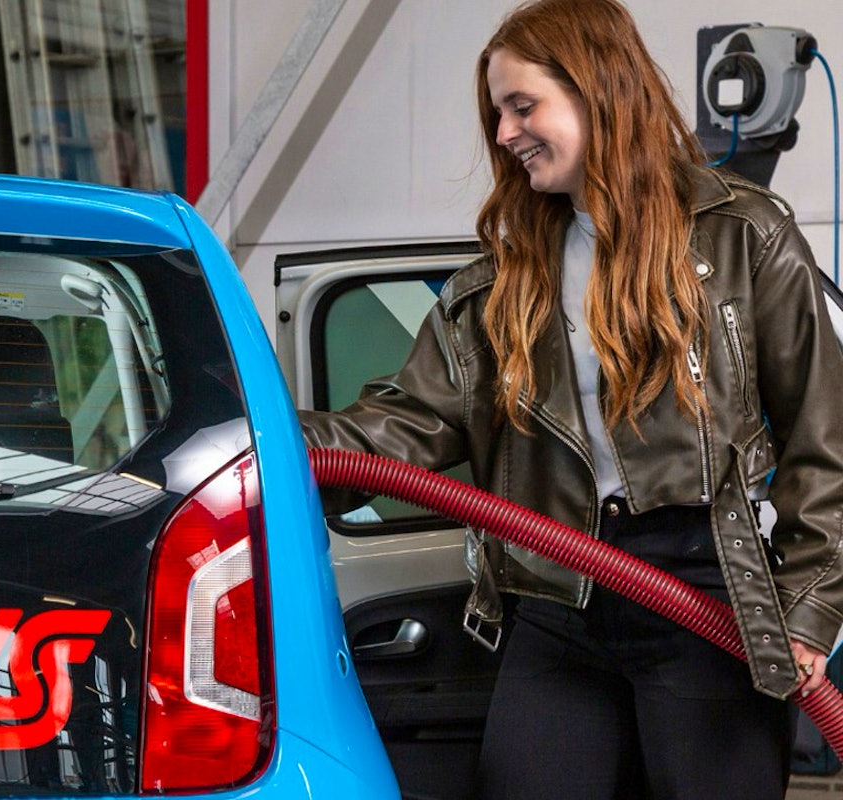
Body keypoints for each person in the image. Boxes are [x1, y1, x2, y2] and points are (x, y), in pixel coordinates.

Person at [299, 0, 843, 797]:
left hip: (703, 596)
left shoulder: (743, 238)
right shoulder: (503, 281)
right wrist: (266, 443)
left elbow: (823, 443)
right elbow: (405, 425)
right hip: (557, 603)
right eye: (497, 113)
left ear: (599, 92)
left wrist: (806, 608)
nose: (505, 132)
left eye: (524, 105)